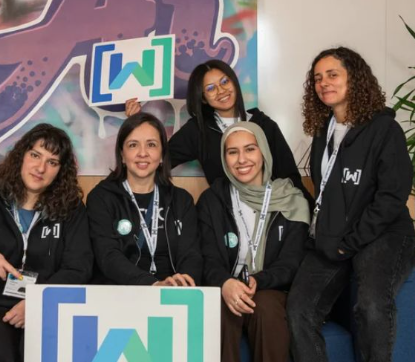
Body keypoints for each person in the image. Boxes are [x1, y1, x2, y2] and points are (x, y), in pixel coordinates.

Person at [286, 47, 415, 362]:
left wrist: (351, 242)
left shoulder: (385, 129)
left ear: (354, 79)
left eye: (332, 75)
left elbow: (391, 197)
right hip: (335, 236)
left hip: (382, 233)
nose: (323, 83)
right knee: (299, 309)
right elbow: (327, 192)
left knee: (371, 305)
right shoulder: (322, 133)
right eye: (317, 78)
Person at [0, 123, 93, 362]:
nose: (41, 168)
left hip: (51, 308)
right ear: (21, 156)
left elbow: (79, 268)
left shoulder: (72, 211)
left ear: (61, 171)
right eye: (35, 155)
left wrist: (39, 303)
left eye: (53, 162)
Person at [125, 60, 313, 206]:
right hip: (225, 217)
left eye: (224, 81)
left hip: (270, 213)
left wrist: (308, 218)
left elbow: (290, 178)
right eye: (210, 88)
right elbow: (158, 160)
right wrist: (137, 124)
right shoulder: (198, 130)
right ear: (203, 99)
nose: (221, 90)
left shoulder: (264, 125)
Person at [197, 122, 309, 362]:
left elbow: (292, 262)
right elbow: (207, 257)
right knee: (219, 307)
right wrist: (225, 283)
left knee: (265, 307)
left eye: (250, 149)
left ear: (263, 152)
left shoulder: (291, 200)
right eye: (232, 152)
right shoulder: (212, 200)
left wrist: (259, 280)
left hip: (271, 288)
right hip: (225, 286)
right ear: (224, 158)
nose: (241, 159)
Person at [87, 112, 202, 286]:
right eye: (133, 145)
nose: (143, 153)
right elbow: (108, 256)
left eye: (151, 145)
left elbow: (191, 255)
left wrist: (182, 283)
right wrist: (152, 285)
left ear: (162, 154)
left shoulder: (182, 200)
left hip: (172, 294)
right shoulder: (101, 198)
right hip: (119, 293)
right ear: (122, 155)